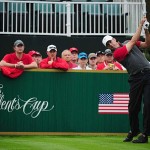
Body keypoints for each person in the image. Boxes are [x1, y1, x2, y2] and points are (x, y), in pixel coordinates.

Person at [102, 17, 150, 143]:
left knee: (148, 104)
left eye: (110, 41)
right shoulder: (117, 53)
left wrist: (147, 30)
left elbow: (146, 44)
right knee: (133, 107)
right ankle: (134, 130)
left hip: (148, 73)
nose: (110, 44)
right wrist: (140, 25)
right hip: (136, 78)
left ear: (114, 39)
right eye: (108, 44)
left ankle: (145, 134)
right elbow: (134, 41)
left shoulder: (127, 42)